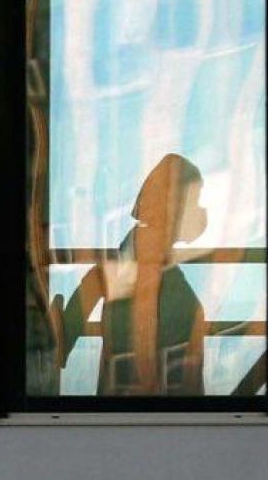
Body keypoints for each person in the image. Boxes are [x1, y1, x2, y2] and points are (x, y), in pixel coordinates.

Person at [54, 154, 211, 395]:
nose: (201, 211)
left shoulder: (146, 257)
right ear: (174, 203)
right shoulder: (140, 259)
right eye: (195, 200)